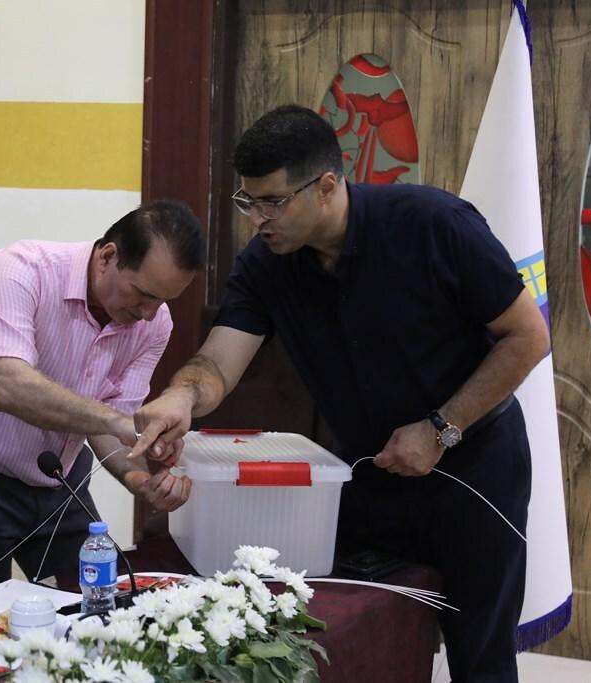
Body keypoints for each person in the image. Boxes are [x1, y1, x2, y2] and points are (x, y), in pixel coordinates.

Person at [131, 106, 550, 683]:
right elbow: (218, 362)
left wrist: (439, 429)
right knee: (364, 635)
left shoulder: (434, 225)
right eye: (247, 201)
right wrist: (182, 396)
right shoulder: (267, 265)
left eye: (272, 202)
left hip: (473, 468)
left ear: (326, 186)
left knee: (480, 656)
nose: (257, 219)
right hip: (369, 472)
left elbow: (527, 337)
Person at [0, 200, 204, 598]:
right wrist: (118, 422)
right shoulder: (19, 271)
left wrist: (140, 476)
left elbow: (111, 427)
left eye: (162, 301)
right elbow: (8, 385)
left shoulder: (154, 324)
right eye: (142, 294)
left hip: (58, 479)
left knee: (97, 602)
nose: (149, 314)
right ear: (108, 257)